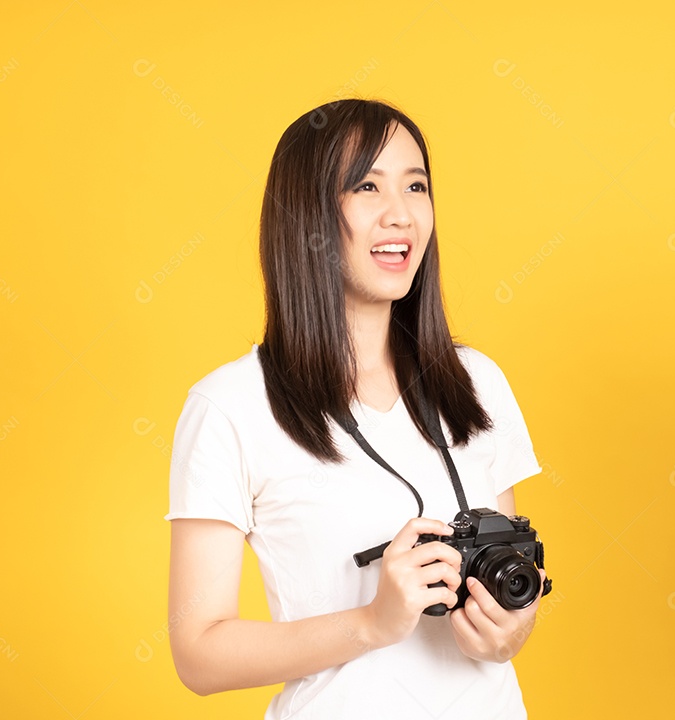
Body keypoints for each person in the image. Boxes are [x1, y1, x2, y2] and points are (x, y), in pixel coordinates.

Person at [164, 98, 546, 719]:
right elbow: (199, 654)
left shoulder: (476, 381)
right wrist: (371, 623)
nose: (401, 214)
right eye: (367, 186)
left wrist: (507, 633)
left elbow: (509, 588)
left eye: (416, 186)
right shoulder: (230, 405)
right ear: (306, 215)